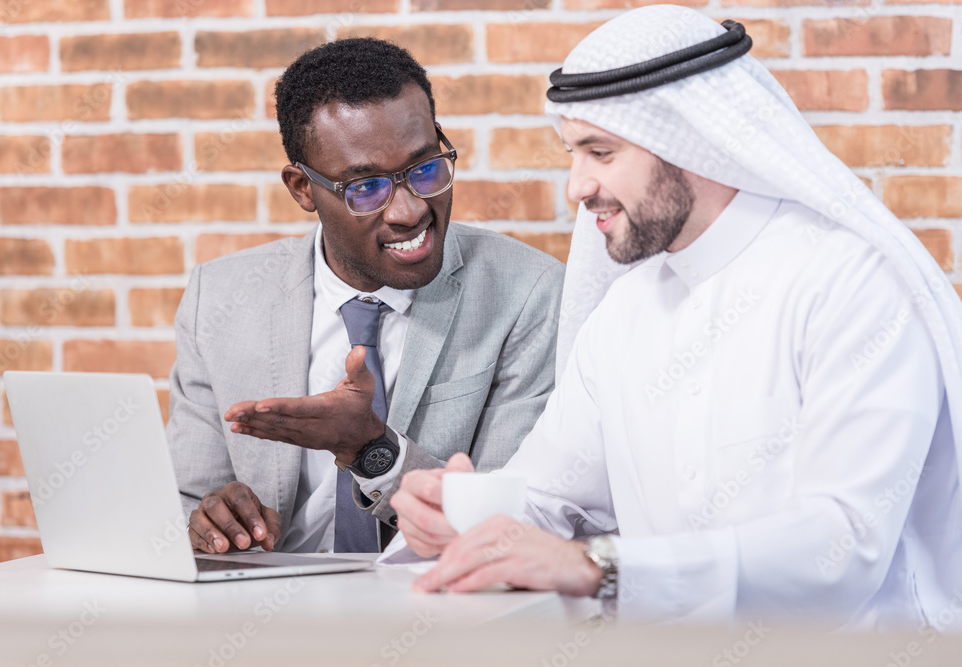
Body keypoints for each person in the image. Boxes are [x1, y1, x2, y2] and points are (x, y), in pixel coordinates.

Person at [389, 6, 962, 630]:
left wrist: (600, 568)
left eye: (601, 152)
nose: (577, 187)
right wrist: (461, 516)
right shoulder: (625, 312)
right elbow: (552, 499)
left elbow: (844, 546)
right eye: (573, 154)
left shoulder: (850, 283)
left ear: (693, 143)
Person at [167, 38, 564, 556]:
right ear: (302, 189)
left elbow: (510, 526)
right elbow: (183, 502)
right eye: (367, 187)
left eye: (426, 169)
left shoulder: (527, 294)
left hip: (440, 614)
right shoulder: (218, 299)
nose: (409, 211)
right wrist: (211, 522)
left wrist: (372, 450)